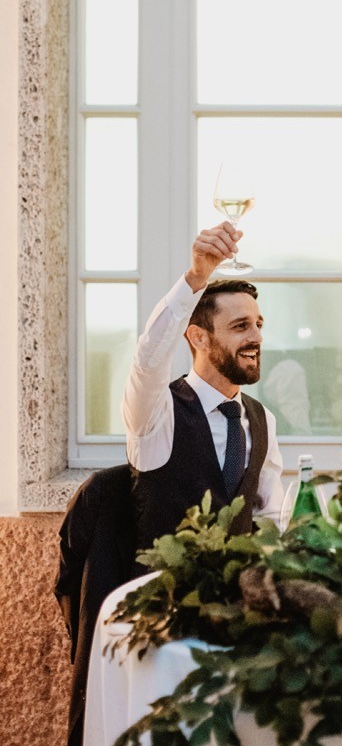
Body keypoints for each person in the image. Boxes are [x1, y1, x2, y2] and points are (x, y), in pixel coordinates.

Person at [123, 222, 284, 549]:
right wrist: (195, 278)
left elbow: (271, 517)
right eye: (240, 326)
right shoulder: (156, 414)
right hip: (163, 595)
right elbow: (148, 358)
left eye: (258, 324)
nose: (256, 337)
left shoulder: (262, 419)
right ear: (198, 337)